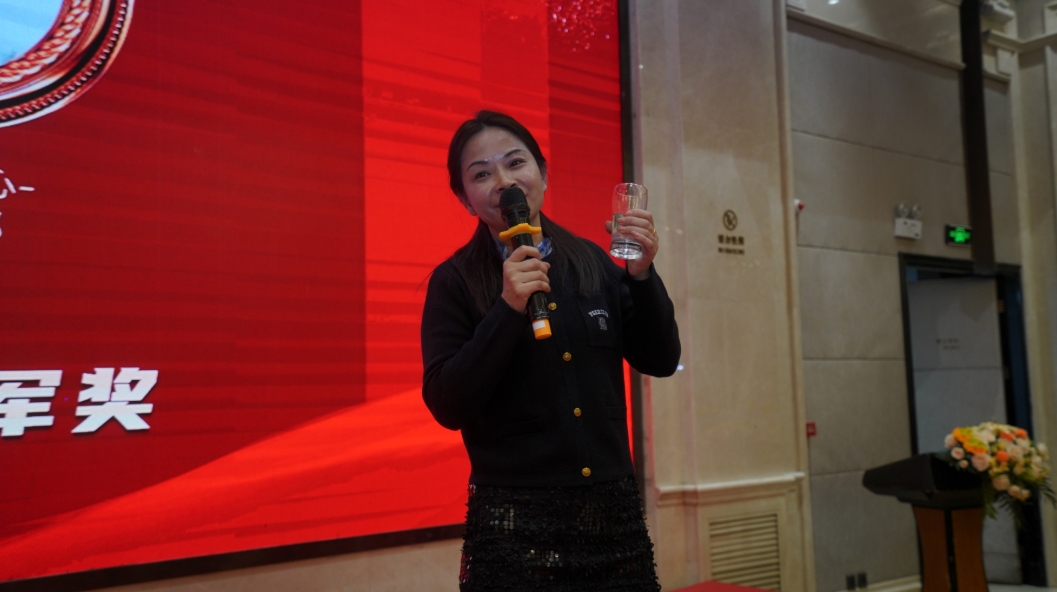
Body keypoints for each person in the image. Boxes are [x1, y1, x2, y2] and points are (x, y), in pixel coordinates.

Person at [421, 110, 681, 591]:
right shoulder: (453, 281)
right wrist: (507, 308)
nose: (504, 182)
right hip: (515, 529)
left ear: (543, 173)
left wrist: (642, 275)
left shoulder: (592, 262)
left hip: (612, 521)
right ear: (463, 198)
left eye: (515, 163)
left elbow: (660, 360)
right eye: (481, 174)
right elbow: (446, 403)